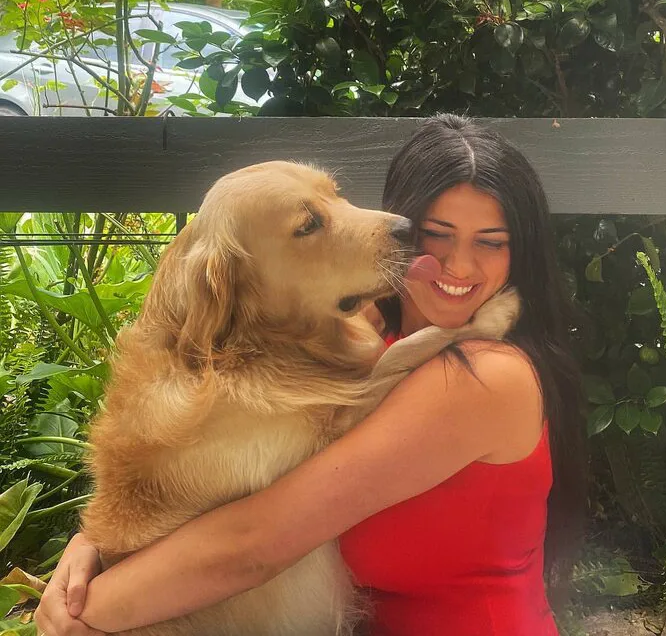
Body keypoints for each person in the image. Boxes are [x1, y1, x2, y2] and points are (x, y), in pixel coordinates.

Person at [35, 114, 585, 636]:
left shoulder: (484, 378)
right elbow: (170, 497)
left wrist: (79, 615)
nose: (458, 265)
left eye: (491, 242)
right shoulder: (358, 333)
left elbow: (252, 545)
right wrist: (91, 544)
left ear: (521, 250)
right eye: (436, 233)